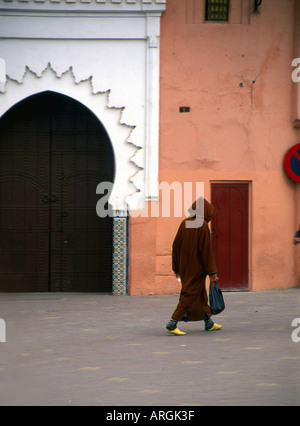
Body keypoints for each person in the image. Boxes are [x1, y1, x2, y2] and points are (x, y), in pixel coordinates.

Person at [166, 198, 222, 335]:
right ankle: (172, 322)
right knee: (189, 293)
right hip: (196, 268)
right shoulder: (202, 225)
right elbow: (206, 251)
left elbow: (175, 246)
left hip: (184, 267)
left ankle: (208, 323)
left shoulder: (184, 223)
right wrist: (212, 271)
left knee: (200, 294)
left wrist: (176, 268)